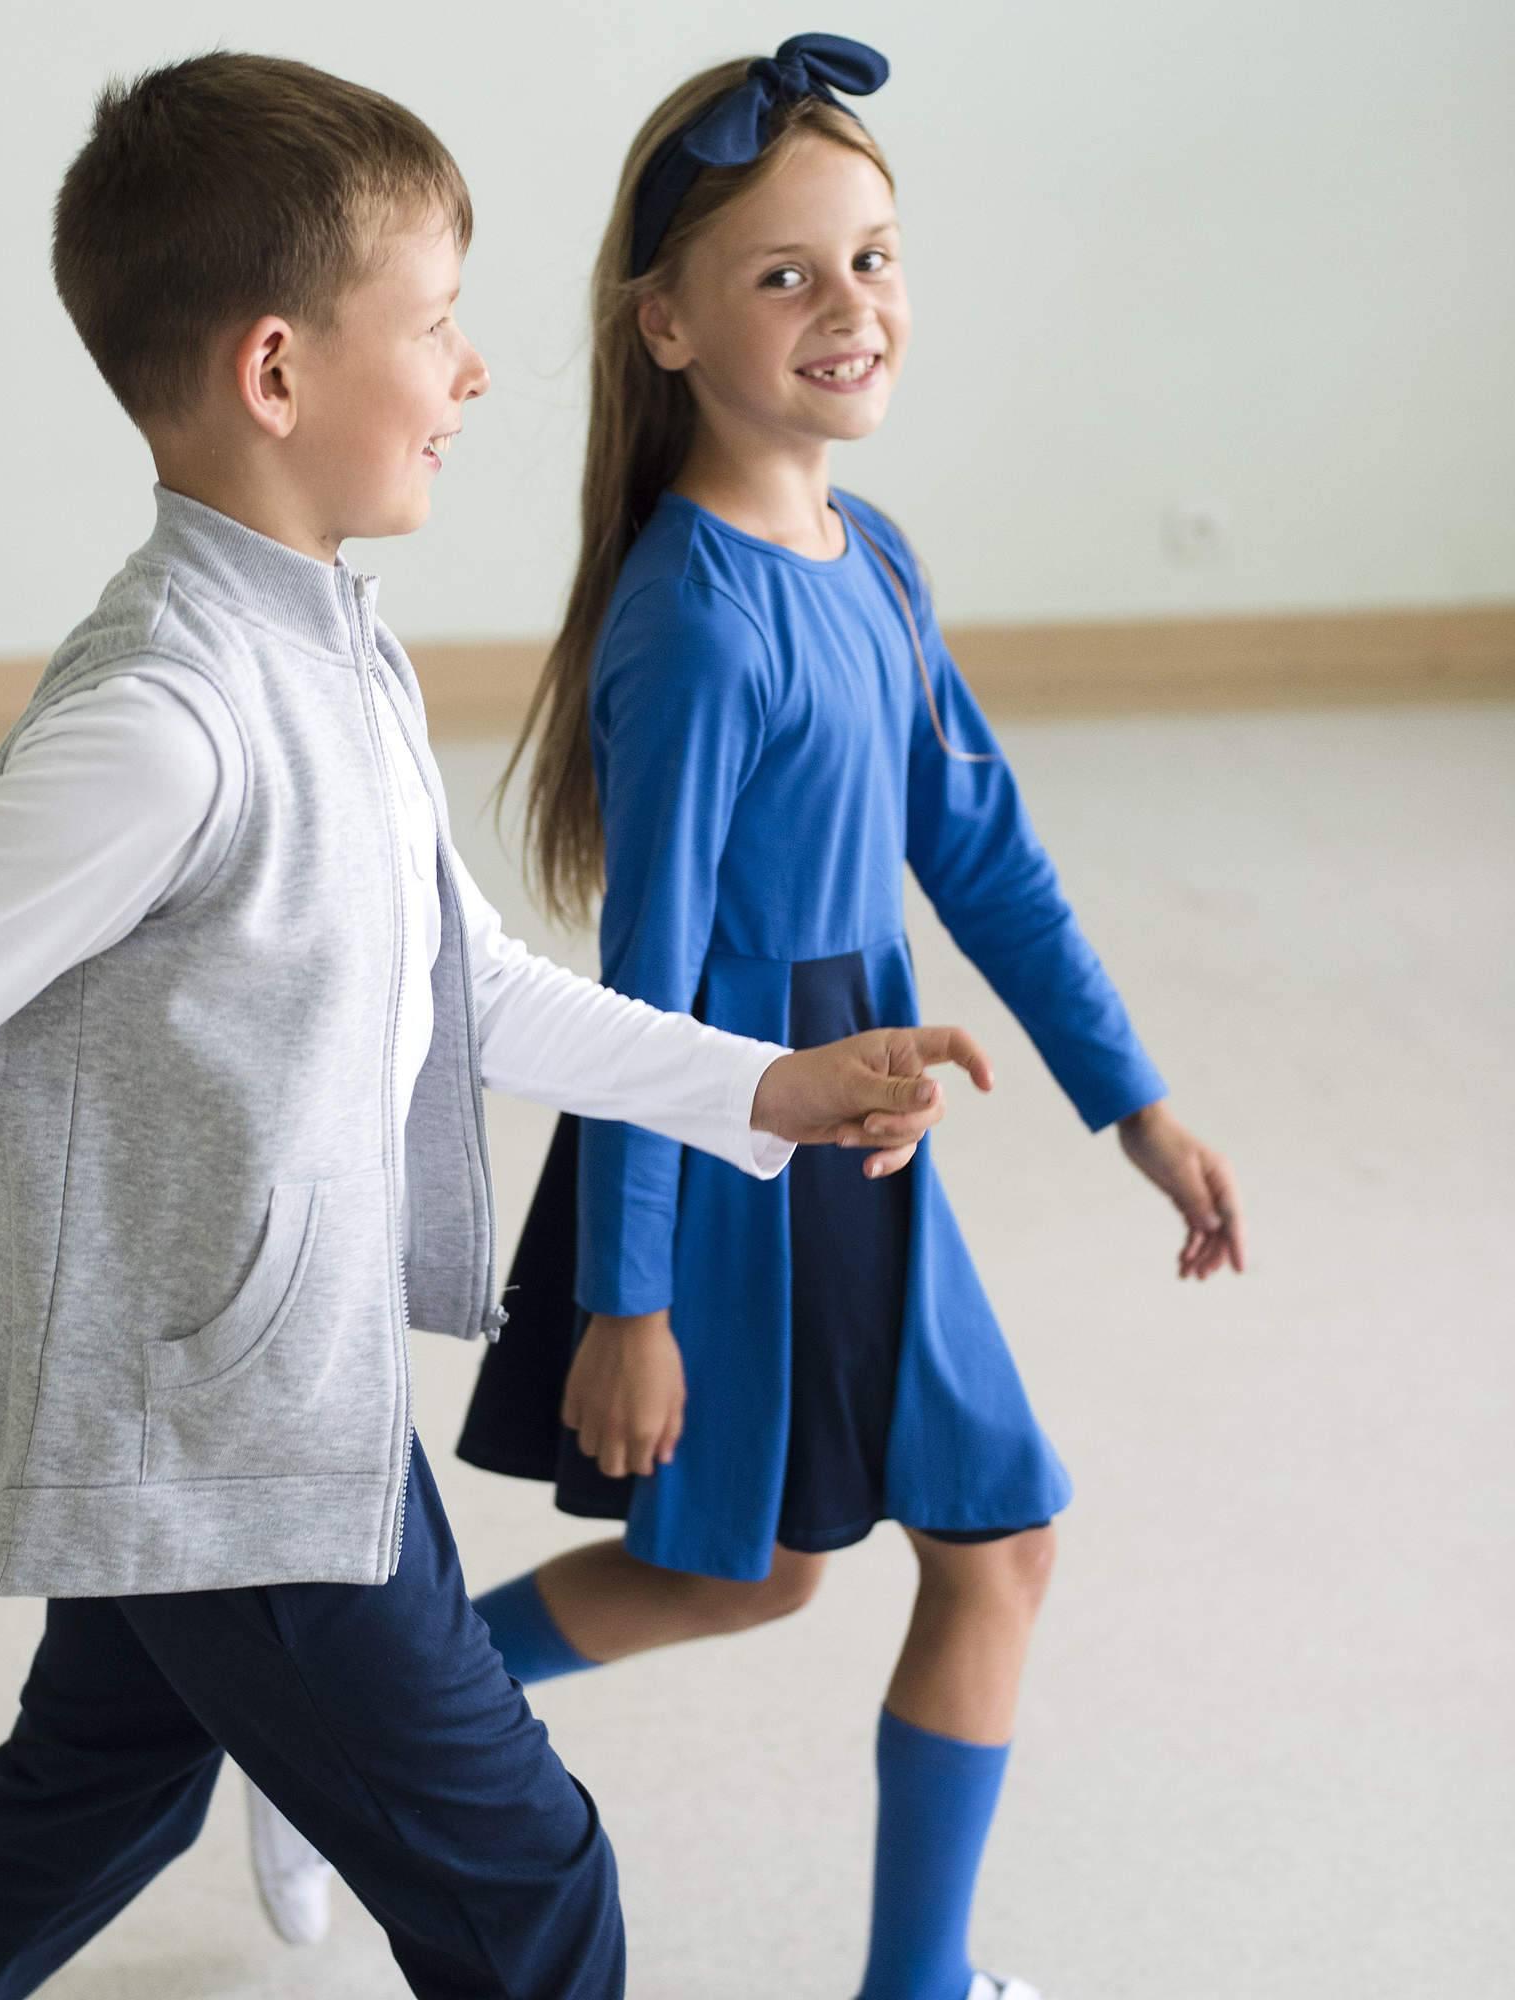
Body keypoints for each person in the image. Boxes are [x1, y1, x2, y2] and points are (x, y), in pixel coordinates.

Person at [0, 51, 1000, 2000]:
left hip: (248, 1397)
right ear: (279, 375)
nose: (475, 372)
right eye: (439, 324)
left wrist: (769, 1088)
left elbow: (463, 982)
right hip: (229, 1434)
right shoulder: (162, 725)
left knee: (102, 1788)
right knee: (531, 1884)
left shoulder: (334, 643)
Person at [450, 34, 1244, 2000]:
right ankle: (363, 1737)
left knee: (977, 1548)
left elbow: (984, 851)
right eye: (784, 273)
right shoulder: (698, 618)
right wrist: (626, 1305)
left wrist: (1129, 1102)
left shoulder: (868, 560)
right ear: (664, 323)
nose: (850, 307)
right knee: (745, 1570)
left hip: (864, 1130)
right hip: (733, 1139)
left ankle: (914, 1982)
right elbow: (639, 998)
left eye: (873, 258)